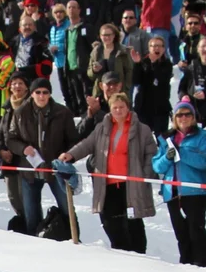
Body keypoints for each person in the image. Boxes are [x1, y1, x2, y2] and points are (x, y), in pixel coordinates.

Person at [62, 91, 155, 254]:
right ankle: (120, 252)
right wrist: (71, 154)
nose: (118, 110)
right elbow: (87, 145)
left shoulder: (142, 129)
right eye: (115, 107)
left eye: (121, 107)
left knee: (133, 221)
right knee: (110, 222)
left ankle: (139, 254)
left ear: (128, 108)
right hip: (107, 184)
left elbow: (151, 154)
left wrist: (145, 174)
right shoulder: (102, 127)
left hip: (131, 183)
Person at [7, 78, 76, 235]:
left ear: (50, 94)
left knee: (67, 208)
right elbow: (10, 139)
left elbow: (73, 140)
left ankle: (74, 237)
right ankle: (35, 243)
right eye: (38, 92)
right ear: (31, 94)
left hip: (55, 169)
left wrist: (67, 156)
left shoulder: (63, 112)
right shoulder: (19, 113)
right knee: (31, 213)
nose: (41, 96)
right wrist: (23, 148)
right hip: (30, 170)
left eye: (45, 92)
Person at [152, 100, 206, 267]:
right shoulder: (167, 137)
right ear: (174, 118)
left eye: (188, 114)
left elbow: (203, 161)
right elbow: (157, 165)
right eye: (180, 114)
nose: (184, 118)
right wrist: (167, 157)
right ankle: (186, 265)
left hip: (194, 191)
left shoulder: (202, 136)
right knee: (181, 234)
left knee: (196, 231)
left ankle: (202, 264)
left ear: (194, 117)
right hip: (171, 192)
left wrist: (182, 153)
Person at [0, 72, 30, 227]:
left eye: (20, 83)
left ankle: (31, 223)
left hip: (25, 158)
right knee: (13, 196)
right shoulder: (8, 108)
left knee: (26, 197)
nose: (17, 86)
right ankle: (22, 222)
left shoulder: (31, 106)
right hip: (9, 160)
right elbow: (0, 132)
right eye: (14, 83)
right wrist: (1, 149)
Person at [130, 35, 173, 135]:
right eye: (153, 46)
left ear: (163, 49)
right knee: (143, 137)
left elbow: (162, 79)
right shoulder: (143, 62)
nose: (156, 48)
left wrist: (153, 64)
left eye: (159, 46)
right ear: (149, 48)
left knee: (161, 138)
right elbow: (136, 81)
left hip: (160, 108)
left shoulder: (167, 64)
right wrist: (137, 64)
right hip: (143, 107)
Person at [87, 23, 132, 94]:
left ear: (114, 35)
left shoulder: (123, 51)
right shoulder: (96, 52)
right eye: (104, 35)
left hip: (119, 91)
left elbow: (129, 70)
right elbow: (89, 74)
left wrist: (126, 87)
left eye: (109, 35)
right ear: (100, 36)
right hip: (101, 91)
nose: (107, 37)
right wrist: (94, 70)